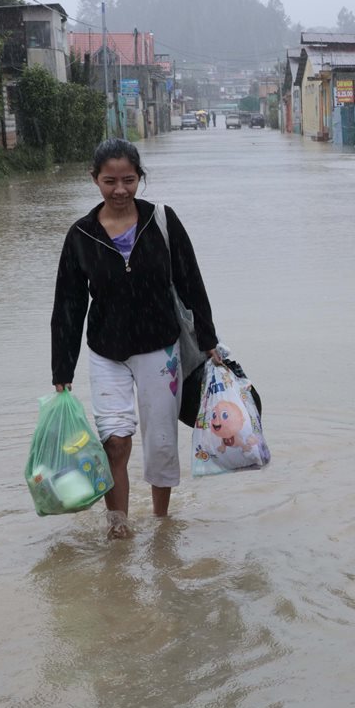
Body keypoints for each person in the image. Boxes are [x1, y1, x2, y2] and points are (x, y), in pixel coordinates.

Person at [51, 138, 221, 539]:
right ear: (94, 180)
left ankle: (161, 524)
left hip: (160, 348)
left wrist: (208, 337)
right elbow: (68, 305)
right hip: (106, 350)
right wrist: (62, 368)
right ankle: (119, 525)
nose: (120, 190)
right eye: (110, 181)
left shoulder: (161, 220)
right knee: (115, 440)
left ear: (140, 178)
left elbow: (190, 281)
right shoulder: (81, 235)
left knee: (161, 441)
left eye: (128, 179)